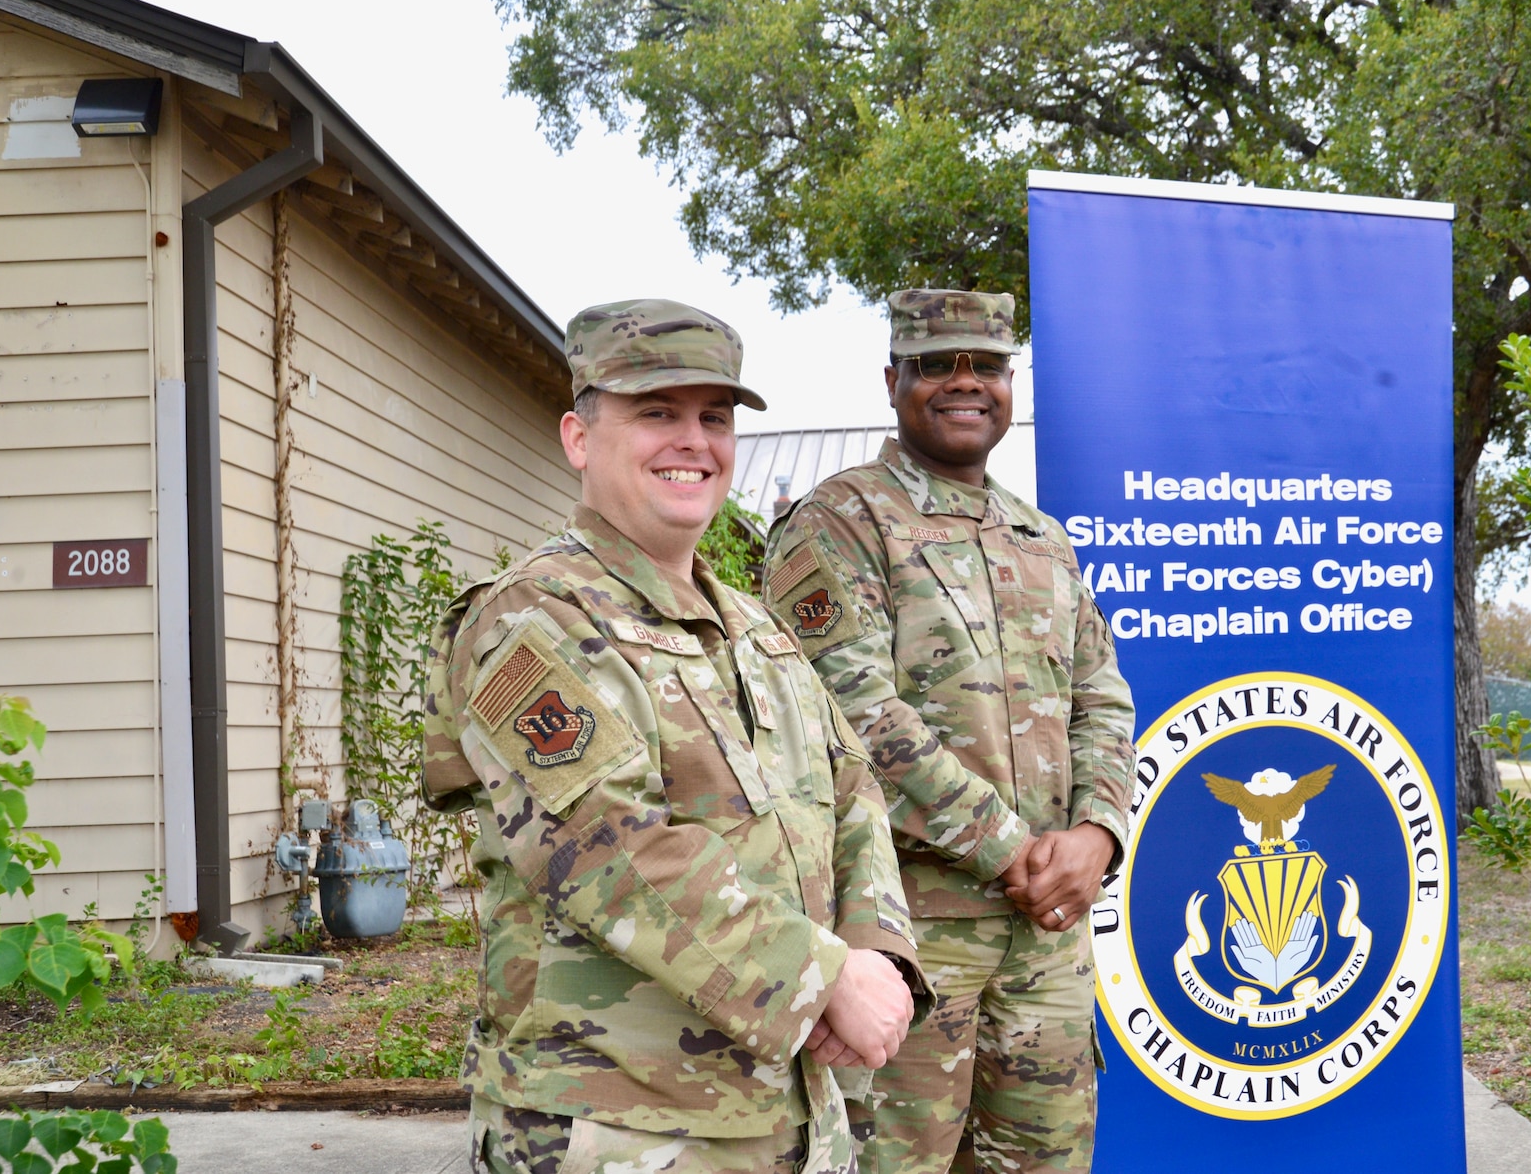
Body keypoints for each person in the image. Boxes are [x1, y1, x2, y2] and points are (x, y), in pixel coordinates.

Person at [423, 300, 925, 1174]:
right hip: (616, 1129)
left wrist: (876, 953)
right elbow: (613, 851)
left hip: (789, 1115)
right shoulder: (530, 620)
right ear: (580, 437)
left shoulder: (755, 631)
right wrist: (825, 982)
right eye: (657, 412)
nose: (693, 440)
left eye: (714, 417)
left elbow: (855, 795)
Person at [763, 289, 1137, 1174]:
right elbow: (849, 713)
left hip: (1046, 942)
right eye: (938, 364)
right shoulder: (841, 523)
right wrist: (1012, 848)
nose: (966, 382)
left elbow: (1103, 697)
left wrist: (1099, 833)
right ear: (894, 380)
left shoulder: (1044, 539)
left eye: (990, 365)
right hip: (905, 940)